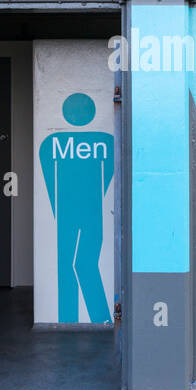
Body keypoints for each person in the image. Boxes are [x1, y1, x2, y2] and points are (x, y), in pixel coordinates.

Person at [38, 93, 114, 324]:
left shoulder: (51, 143)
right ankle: (99, 317)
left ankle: (70, 317)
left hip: (67, 213)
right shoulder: (105, 140)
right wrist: (96, 199)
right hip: (92, 213)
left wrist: (59, 208)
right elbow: (109, 172)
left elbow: (51, 182)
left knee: (71, 265)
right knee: (84, 263)